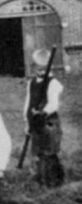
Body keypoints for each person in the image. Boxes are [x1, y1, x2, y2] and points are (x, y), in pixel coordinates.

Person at [24, 49, 64, 187]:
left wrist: (43, 112)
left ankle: (55, 181)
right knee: (38, 152)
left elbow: (54, 104)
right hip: (35, 123)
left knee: (49, 152)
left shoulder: (53, 83)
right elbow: (28, 102)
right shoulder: (31, 83)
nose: (41, 71)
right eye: (38, 68)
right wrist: (27, 120)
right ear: (33, 66)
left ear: (49, 67)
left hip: (48, 123)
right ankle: (41, 179)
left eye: (44, 69)